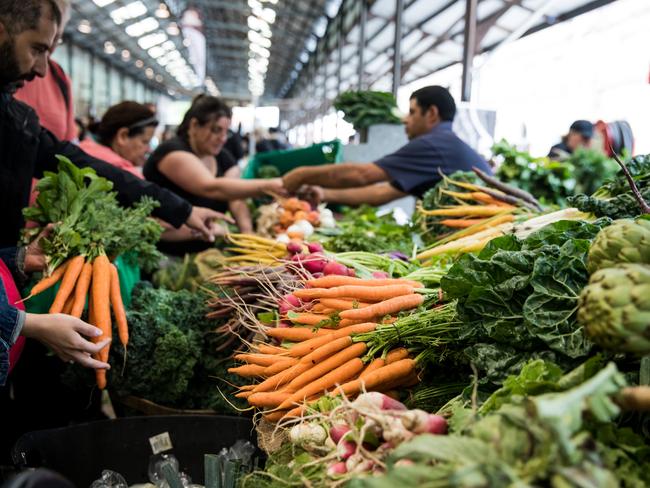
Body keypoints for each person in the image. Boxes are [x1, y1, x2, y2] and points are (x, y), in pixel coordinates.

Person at [0, 0, 227, 251]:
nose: (42, 69)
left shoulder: (16, 118)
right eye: (37, 48)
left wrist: (180, 209)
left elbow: (77, 162)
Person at [282, 85, 492, 206]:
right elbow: (382, 193)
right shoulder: (443, 146)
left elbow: (362, 175)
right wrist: (324, 194)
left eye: (411, 112)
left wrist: (302, 174)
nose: (404, 120)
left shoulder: (433, 145)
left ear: (432, 114)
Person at [144, 95, 285, 254]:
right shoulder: (172, 152)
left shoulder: (223, 158)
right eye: (216, 130)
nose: (223, 138)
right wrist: (276, 184)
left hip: (207, 249)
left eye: (226, 132)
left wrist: (248, 235)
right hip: (165, 254)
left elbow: (235, 198)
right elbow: (212, 188)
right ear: (195, 125)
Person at [13, 0, 76, 142]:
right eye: (37, 48)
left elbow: (66, 144)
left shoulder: (60, 77)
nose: (42, 70)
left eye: (55, 39)